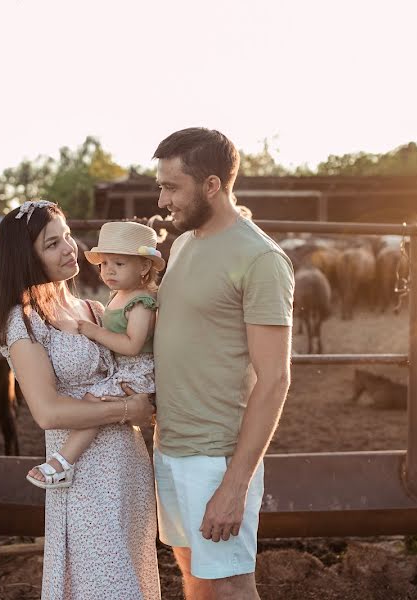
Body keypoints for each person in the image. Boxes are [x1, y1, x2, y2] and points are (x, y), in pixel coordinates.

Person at [0, 199, 161, 600]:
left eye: (67, 237)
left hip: (128, 465)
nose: (68, 249)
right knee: (105, 586)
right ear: (26, 259)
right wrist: (129, 409)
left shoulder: (94, 309)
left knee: (133, 578)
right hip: (82, 474)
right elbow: (47, 412)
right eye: (51, 244)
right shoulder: (23, 320)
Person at [152, 128, 295, 600]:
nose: (162, 198)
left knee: (231, 586)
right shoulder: (185, 244)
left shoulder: (260, 259)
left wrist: (235, 485)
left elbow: (275, 380)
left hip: (216, 456)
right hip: (170, 445)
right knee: (193, 574)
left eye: (172, 187)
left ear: (211, 185)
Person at [25, 220, 165, 489]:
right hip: (123, 369)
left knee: (95, 402)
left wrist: (94, 332)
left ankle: (63, 462)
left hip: (136, 371)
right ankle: (63, 461)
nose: (109, 271)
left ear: (144, 266)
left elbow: (132, 345)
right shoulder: (119, 296)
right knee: (95, 402)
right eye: (105, 264)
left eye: (119, 264)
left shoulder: (141, 302)